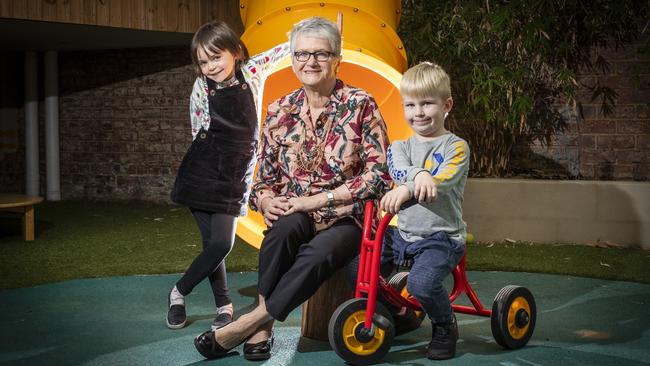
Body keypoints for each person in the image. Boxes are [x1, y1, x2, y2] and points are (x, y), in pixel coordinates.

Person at [193, 16, 391, 361]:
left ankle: (250, 324)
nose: (310, 62)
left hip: (348, 217)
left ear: (337, 59)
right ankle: (263, 327)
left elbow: (379, 175)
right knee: (279, 235)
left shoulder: (361, 104)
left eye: (321, 54)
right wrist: (266, 199)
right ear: (293, 59)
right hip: (295, 211)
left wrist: (317, 199)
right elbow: (262, 179)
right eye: (301, 54)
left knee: (317, 254)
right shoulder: (278, 110)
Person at [167, 20, 290, 331]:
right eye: (203, 61)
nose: (210, 66)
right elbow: (199, 131)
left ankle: (178, 291)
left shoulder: (254, 71)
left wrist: (323, 30)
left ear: (236, 52)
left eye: (216, 57)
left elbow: (287, 48)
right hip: (203, 170)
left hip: (235, 175)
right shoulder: (200, 87)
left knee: (222, 243)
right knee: (213, 244)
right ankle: (224, 305)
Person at [379, 62, 470, 360]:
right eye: (410, 104)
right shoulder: (400, 147)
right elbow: (397, 167)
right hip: (403, 233)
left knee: (422, 282)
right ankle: (395, 311)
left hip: (441, 237)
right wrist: (416, 176)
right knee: (359, 266)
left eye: (427, 103)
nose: (418, 112)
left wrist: (412, 184)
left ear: (447, 105)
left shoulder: (457, 147)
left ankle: (445, 325)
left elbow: (443, 180)